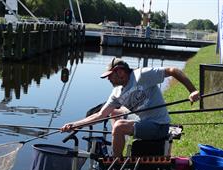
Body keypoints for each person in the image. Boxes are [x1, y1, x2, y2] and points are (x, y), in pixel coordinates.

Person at [61, 57, 200, 157]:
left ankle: (116, 161)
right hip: (144, 122)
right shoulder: (116, 93)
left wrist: (192, 91)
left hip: (159, 125)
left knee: (119, 126)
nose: (108, 79)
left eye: (110, 76)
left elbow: (173, 70)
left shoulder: (142, 75)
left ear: (120, 72)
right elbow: (99, 115)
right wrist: (75, 124)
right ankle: (118, 147)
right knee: (114, 112)